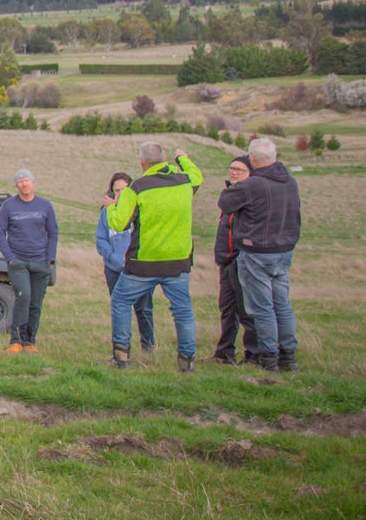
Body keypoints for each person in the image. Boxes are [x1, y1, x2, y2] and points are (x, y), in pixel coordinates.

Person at [105, 141, 205, 372]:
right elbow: (196, 174)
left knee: (120, 301)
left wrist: (111, 206)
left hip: (144, 263)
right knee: (183, 310)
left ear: (142, 163)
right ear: (165, 159)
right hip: (177, 261)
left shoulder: (137, 188)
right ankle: (186, 361)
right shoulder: (185, 181)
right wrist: (182, 158)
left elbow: (119, 223)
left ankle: (121, 357)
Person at [218, 136, 302, 372]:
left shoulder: (252, 185)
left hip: (257, 251)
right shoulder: (290, 182)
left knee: (262, 308)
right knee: (282, 304)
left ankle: (268, 358)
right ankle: (289, 357)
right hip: (283, 250)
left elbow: (225, 202)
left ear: (252, 159)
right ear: (275, 157)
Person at [0, 168, 58, 353]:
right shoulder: (8, 206)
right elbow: (0, 232)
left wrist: (50, 258)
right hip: (18, 261)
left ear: (33, 183)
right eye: (21, 181)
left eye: (27, 180)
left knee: (36, 303)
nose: (24, 183)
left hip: (41, 261)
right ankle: (16, 341)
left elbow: (53, 232)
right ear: (17, 185)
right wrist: (10, 258)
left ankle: (30, 342)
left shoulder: (45, 205)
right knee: (24, 296)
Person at [211, 157, 259, 365]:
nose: (234, 172)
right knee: (227, 308)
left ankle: (254, 354)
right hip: (226, 259)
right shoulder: (232, 195)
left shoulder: (249, 197)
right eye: (232, 168)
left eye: (240, 169)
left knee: (246, 309)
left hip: (241, 259)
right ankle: (224, 353)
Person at [97, 171, 151, 353]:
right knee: (119, 308)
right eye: (116, 190)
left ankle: (148, 345)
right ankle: (122, 347)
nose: (119, 193)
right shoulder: (106, 213)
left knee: (144, 309)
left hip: (139, 268)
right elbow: (101, 240)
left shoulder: (141, 211)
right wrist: (113, 258)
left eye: (123, 189)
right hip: (114, 268)